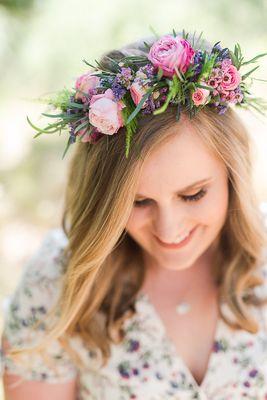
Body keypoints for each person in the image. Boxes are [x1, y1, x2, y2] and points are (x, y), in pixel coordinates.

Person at [1, 29, 267, 400]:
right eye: (138, 203)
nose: (169, 229)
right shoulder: (56, 286)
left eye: (193, 195)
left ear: (232, 176)